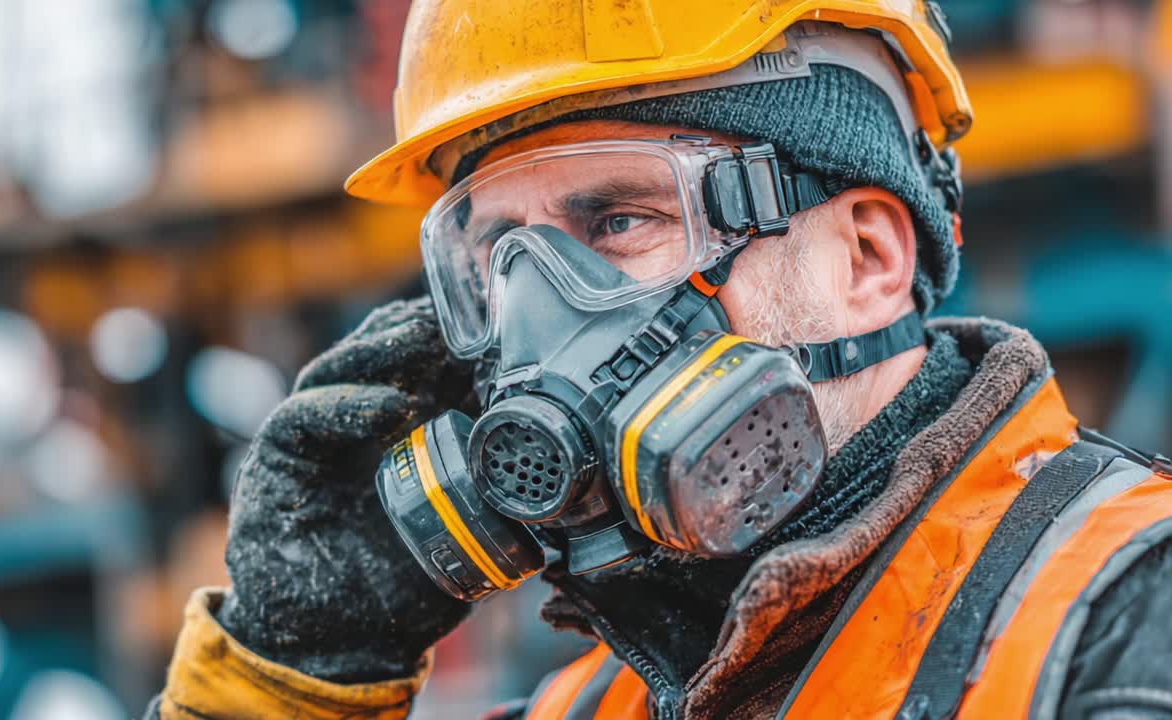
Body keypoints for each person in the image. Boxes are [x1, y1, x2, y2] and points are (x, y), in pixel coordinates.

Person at [147, 2, 1172, 718]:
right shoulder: (585, 701)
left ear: (865, 256)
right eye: (494, 260)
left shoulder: (1127, 627)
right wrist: (290, 675)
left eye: (618, 220)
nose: (534, 321)